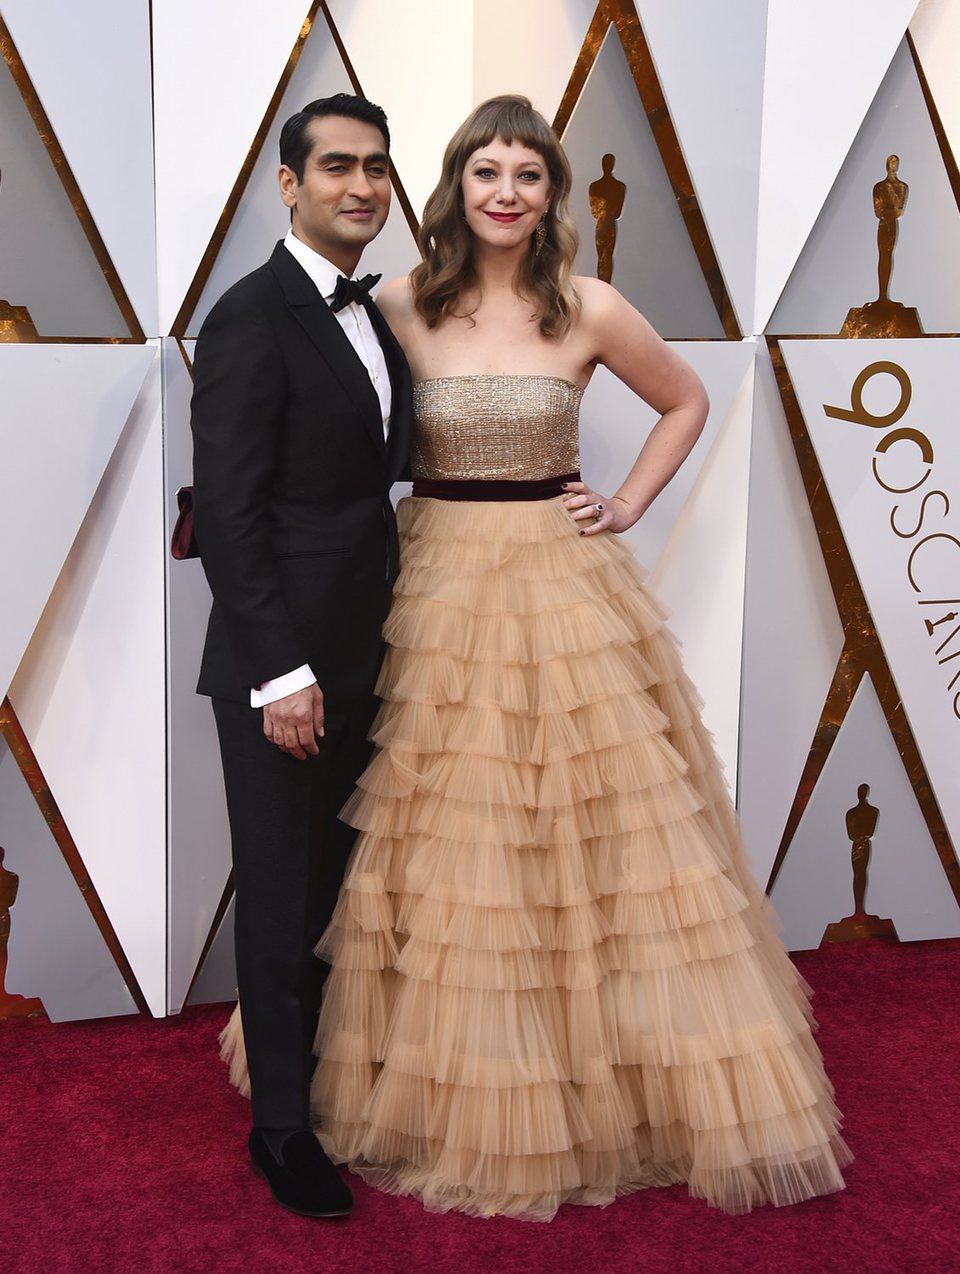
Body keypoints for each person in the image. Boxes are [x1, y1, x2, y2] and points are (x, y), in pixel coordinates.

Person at [226, 93, 851, 1220]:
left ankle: (591, 1076)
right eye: (486, 173)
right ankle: (391, 1076)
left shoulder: (592, 306)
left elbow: (688, 397)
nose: (506, 192)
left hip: (561, 587)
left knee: (585, 835)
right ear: (454, 188)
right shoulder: (400, 303)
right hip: (423, 581)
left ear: (552, 193)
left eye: (528, 174)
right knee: (433, 833)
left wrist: (627, 501)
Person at [192, 93, 411, 1218]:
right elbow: (227, 515)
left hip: (370, 647)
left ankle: (325, 1095)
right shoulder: (248, 315)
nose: (361, 185)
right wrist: (281, 672)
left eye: (376, 166)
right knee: (282, 897)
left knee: (335, 890)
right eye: (336, 166)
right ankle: (282, 1132)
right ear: (289, 183)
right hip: (286, 669)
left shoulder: (371, 311)